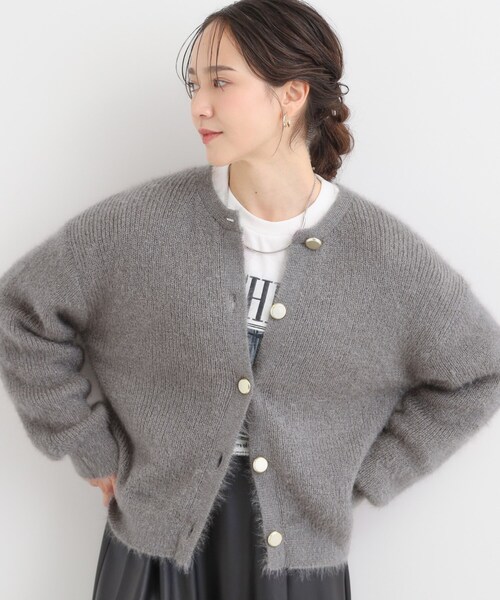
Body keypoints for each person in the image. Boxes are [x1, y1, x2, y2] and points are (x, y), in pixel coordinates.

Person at [0, 1, 499, 599]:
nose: (198, 106)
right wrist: (88, 445)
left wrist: (370, 473)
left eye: (221, 82)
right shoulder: (140, 227)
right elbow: (21, 312)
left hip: (298, 563)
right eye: (195, 86)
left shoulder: (384, 259)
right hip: (154, 547)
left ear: (292, 94)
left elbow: (479, 370)